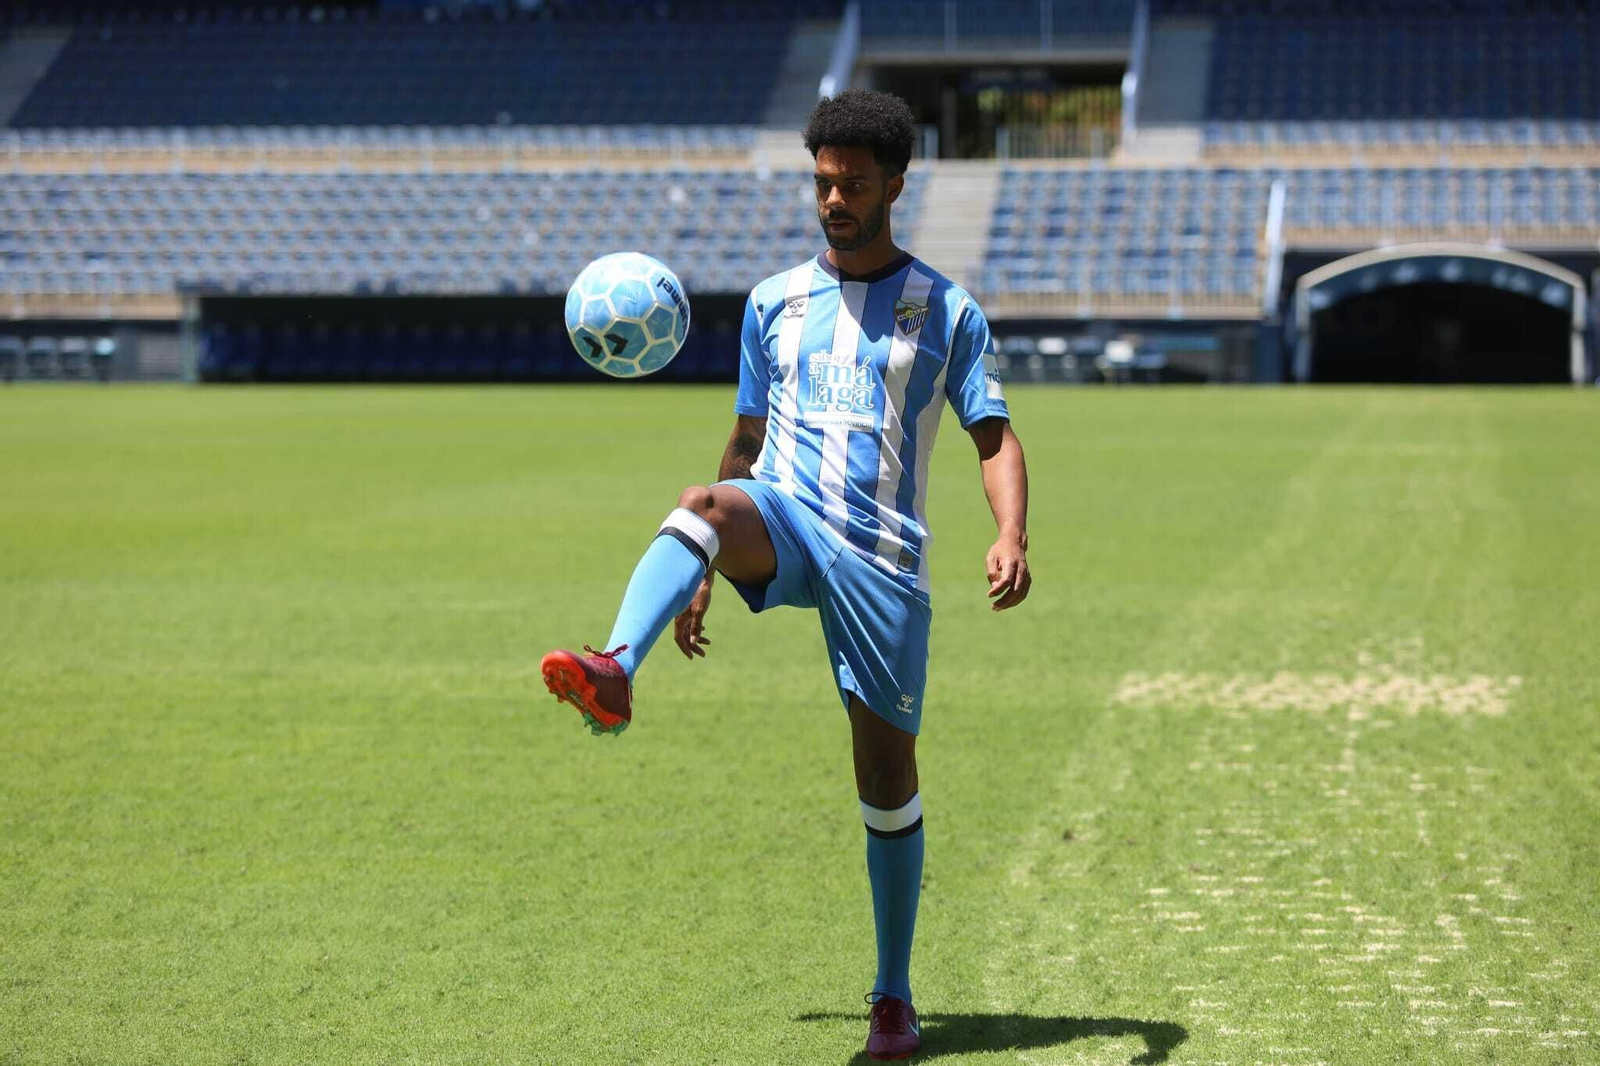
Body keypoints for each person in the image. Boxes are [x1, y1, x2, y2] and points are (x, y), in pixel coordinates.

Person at [540, 89, 1031, 1061]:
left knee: (886, 774)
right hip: (785, 515)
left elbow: (994, 434)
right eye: (821, 182)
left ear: (895, 184)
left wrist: (1010, 531)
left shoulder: (947, 309)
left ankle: (892, 994)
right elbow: (745, 441)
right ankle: (613, 666)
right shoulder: (773, 303)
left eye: (851, 182)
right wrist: (700, 570)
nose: (833, 198)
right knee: (703, 499)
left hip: (883, 561)